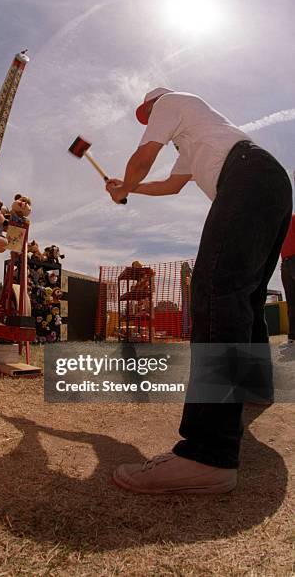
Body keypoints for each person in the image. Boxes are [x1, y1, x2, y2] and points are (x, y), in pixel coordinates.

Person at [106, 87, 293, 494]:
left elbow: (142, 158)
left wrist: (124, 185)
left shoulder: (171, 103)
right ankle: (256, 390)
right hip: (272, 181)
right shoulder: (196, 136)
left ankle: (208, 453)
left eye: (146, 113)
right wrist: (131, 188)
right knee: (244, 295)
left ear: (156, 103)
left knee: (213, 292)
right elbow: (171, 187)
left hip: (246, 177)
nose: (148, 120)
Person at [280, 214, 295, 352]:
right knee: (291, 303)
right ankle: (292, 338)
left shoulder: (293, 218)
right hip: (285, 264)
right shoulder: (278, 224)